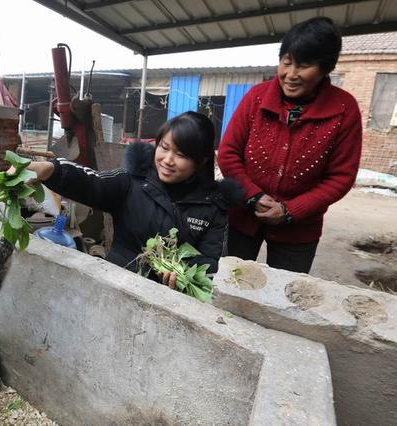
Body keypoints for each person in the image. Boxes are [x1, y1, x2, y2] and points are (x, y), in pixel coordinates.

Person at [21, 111, 241, 288]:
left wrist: (183, 273)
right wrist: (50, 170)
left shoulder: (212, 206)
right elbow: (91, 184)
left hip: (172, 303)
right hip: (116, 285)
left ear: (200, 160)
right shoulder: (132, 182)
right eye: (164, 148)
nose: (168, 160)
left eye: (181, 155)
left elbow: (212, 265)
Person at [217, 17, 362, 273]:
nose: (291, 74)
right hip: (242, 217)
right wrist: (254, 195)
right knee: (228, 279)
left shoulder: (344, 109)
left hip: (299, 230)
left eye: (304, 66)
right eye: (286, 62)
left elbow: (341, 177)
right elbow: (228, 154)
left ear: (325, 68)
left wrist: (291, 210)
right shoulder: (256, 98)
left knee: (287, 292)